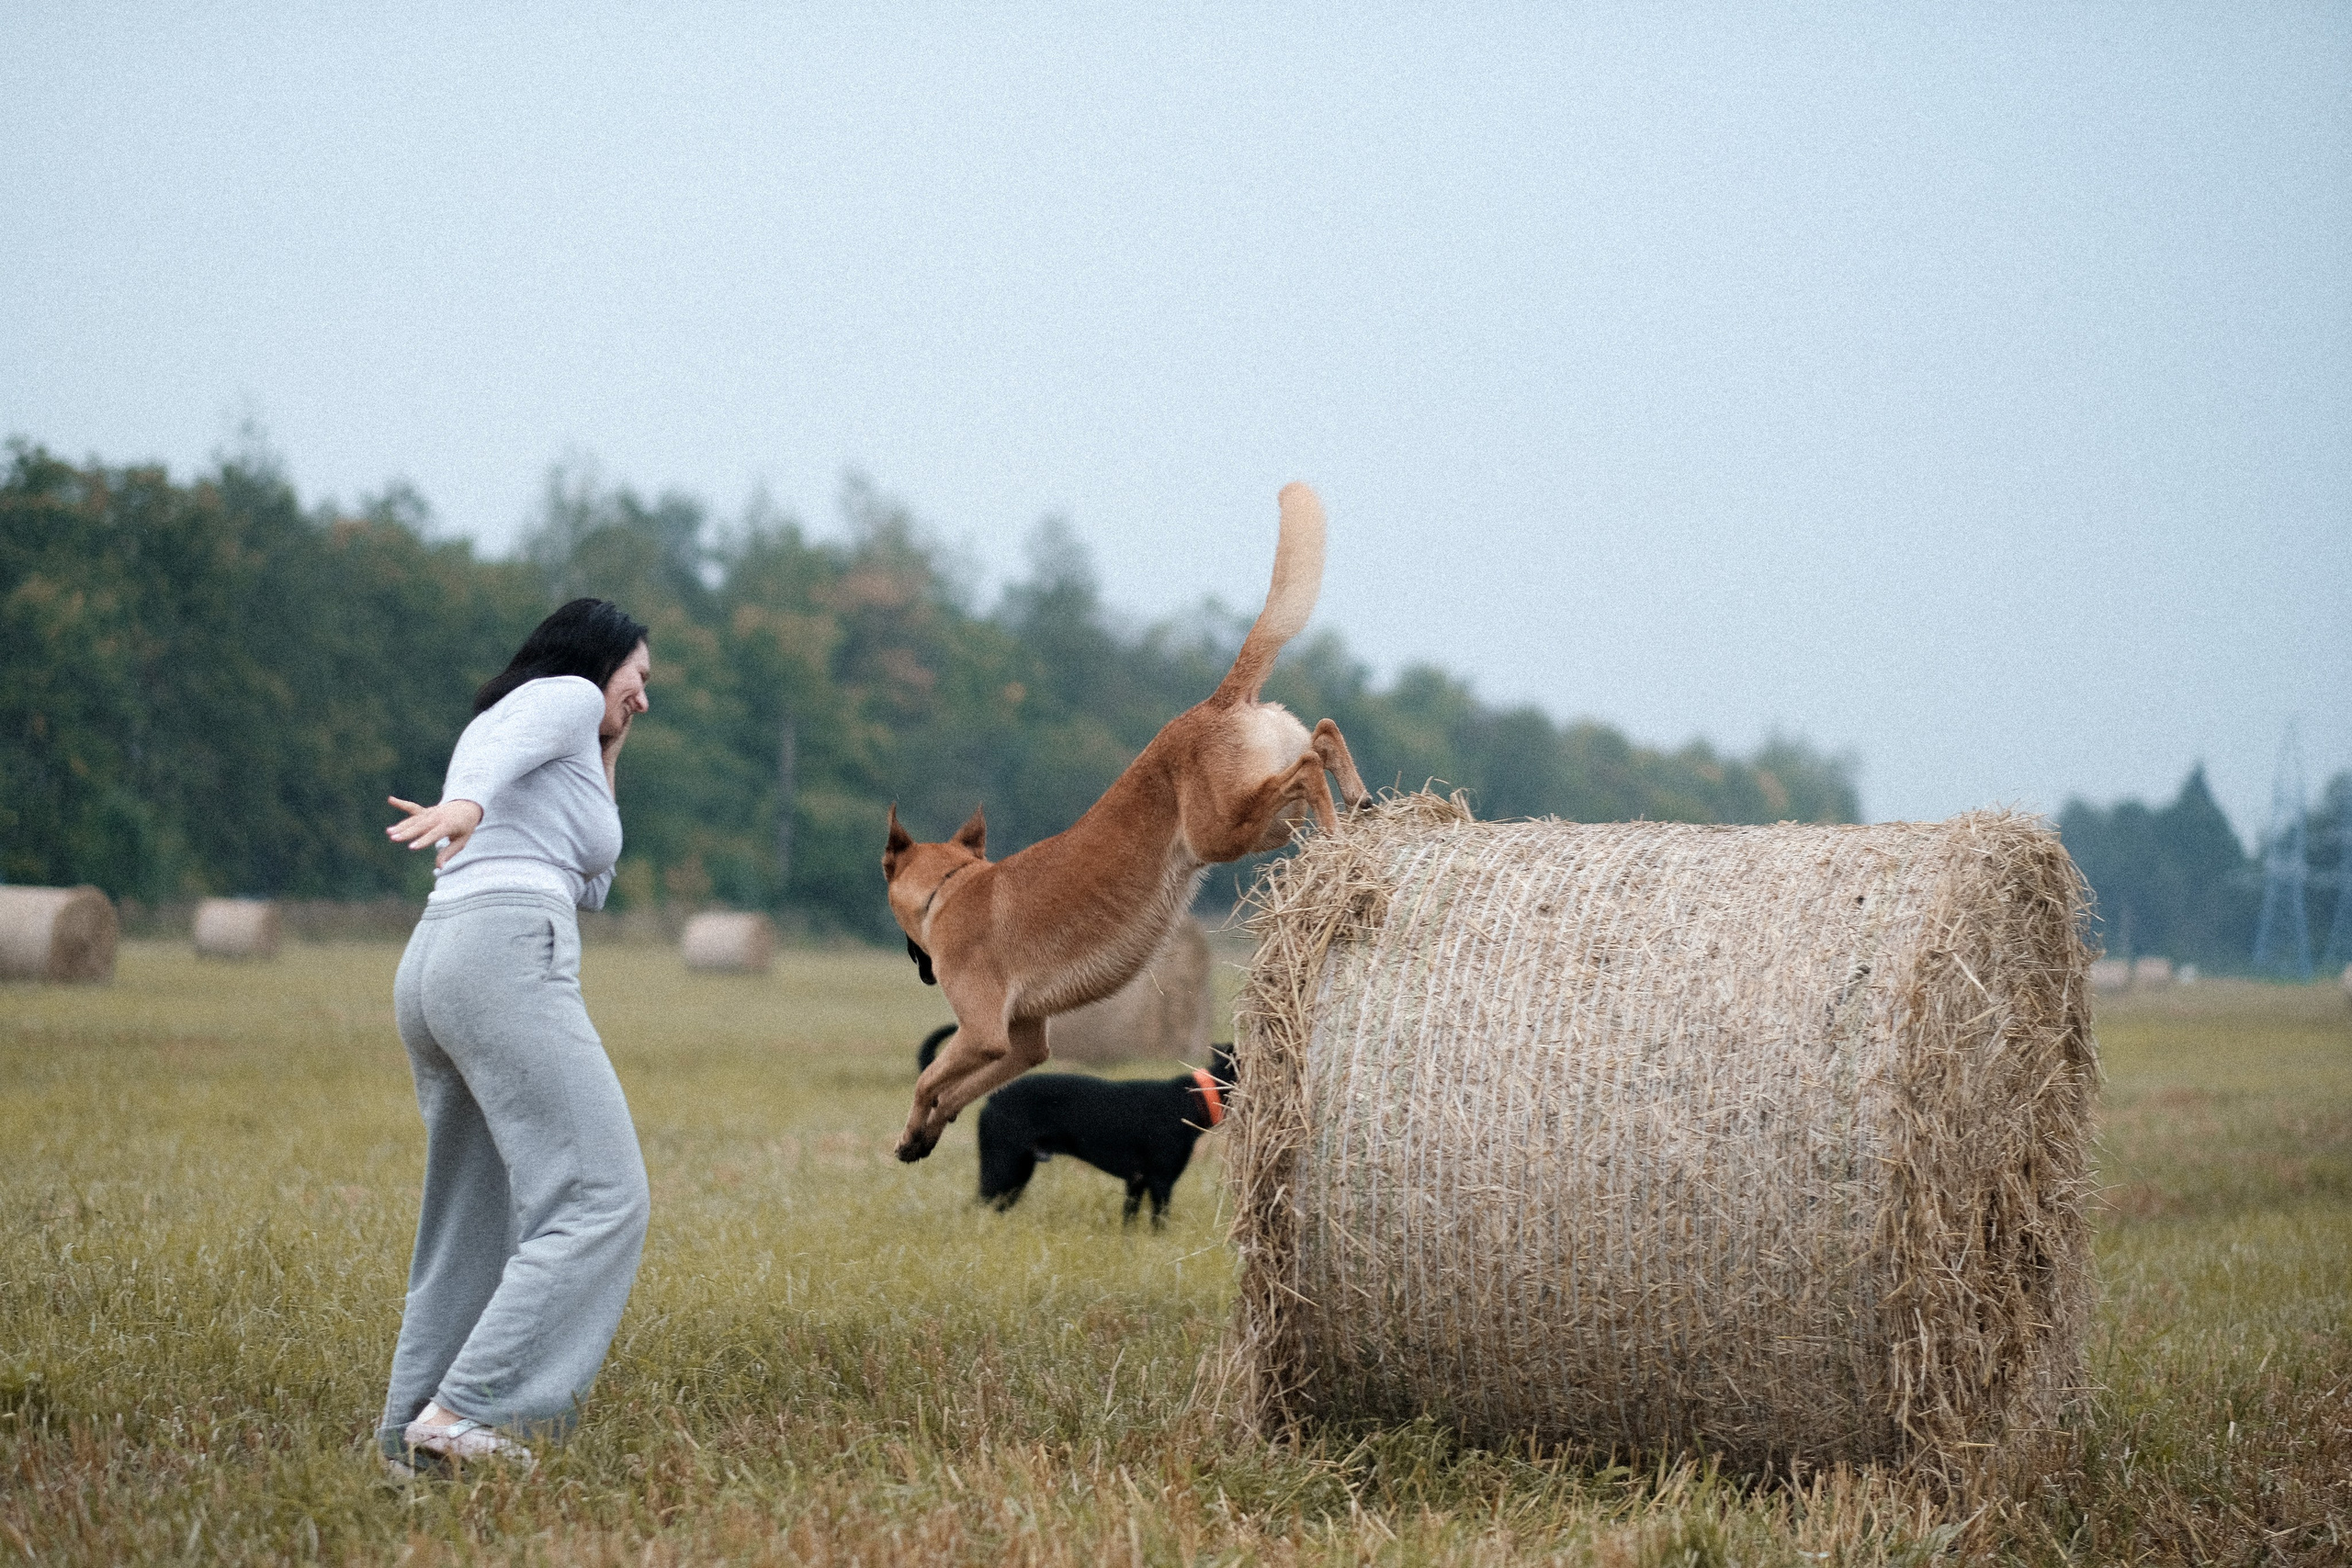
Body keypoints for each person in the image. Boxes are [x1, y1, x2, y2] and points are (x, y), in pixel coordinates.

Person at [375, 597, 654, 1473]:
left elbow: (592, 875)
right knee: (600, 1196)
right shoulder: (561, 697)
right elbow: (528, 730)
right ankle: (468, 1412)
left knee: (472, 1217)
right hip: (501, 951)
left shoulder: (559, 729)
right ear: (596, 661)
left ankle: (409, 1440)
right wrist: (464, 803)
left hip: (437, 962)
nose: (643, 698)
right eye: (638, 680)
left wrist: (610, 747)